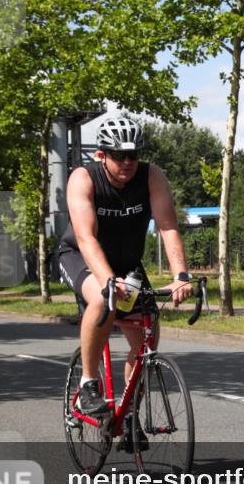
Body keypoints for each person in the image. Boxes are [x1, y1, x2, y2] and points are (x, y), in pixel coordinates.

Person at [56, 116, 193, 425]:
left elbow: (168, 226)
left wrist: (180, 276)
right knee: (102, 300)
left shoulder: (151, 176)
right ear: (101, 154)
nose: (128, 162)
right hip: (80, 256)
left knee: (148, 335)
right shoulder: (83, 178)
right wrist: (107, 281)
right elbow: (85, 236)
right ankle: (88, 384)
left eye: (134, 154)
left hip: (127, 264)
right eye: (119, 155)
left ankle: (129, 410)